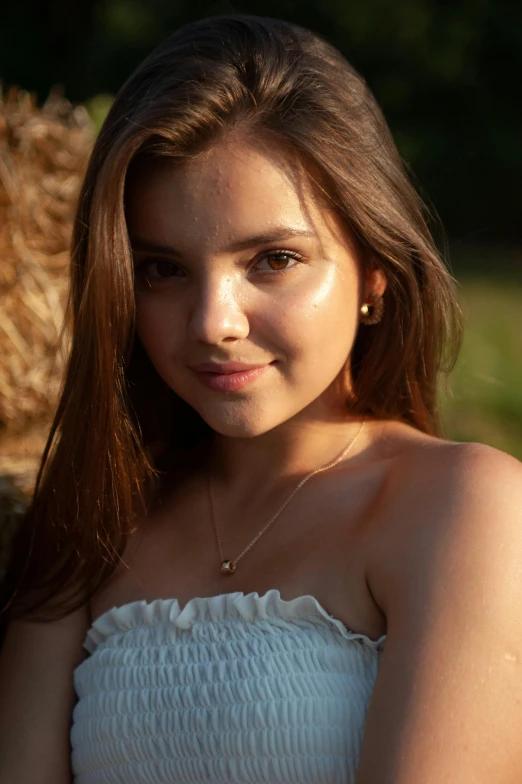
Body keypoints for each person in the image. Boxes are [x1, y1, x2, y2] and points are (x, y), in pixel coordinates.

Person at [1, 13, 522, 784]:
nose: (214, 322)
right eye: (162, 269)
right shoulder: (89, 524)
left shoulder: (462, 509)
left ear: (374, 267)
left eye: (273, 259)